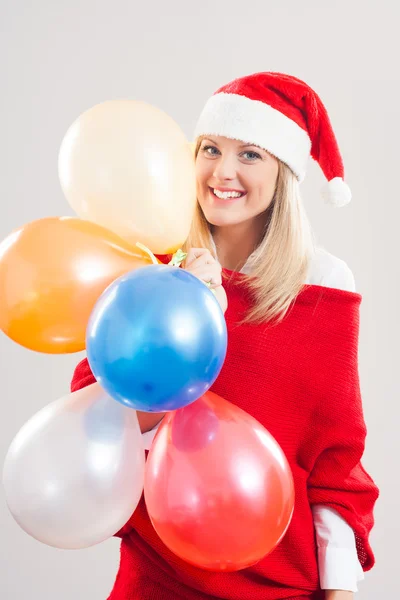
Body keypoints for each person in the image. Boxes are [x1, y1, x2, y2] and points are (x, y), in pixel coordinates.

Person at [71, 72, 379, 600]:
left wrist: (341, 589)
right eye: (210, 149)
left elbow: (334, 459)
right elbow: (97, 416)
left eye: (251, 154)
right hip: (157, 575)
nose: (222, 171)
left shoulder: (324, 286)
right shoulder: (151, 267)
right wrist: (186, 314)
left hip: (279, 583)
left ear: (284, 172)